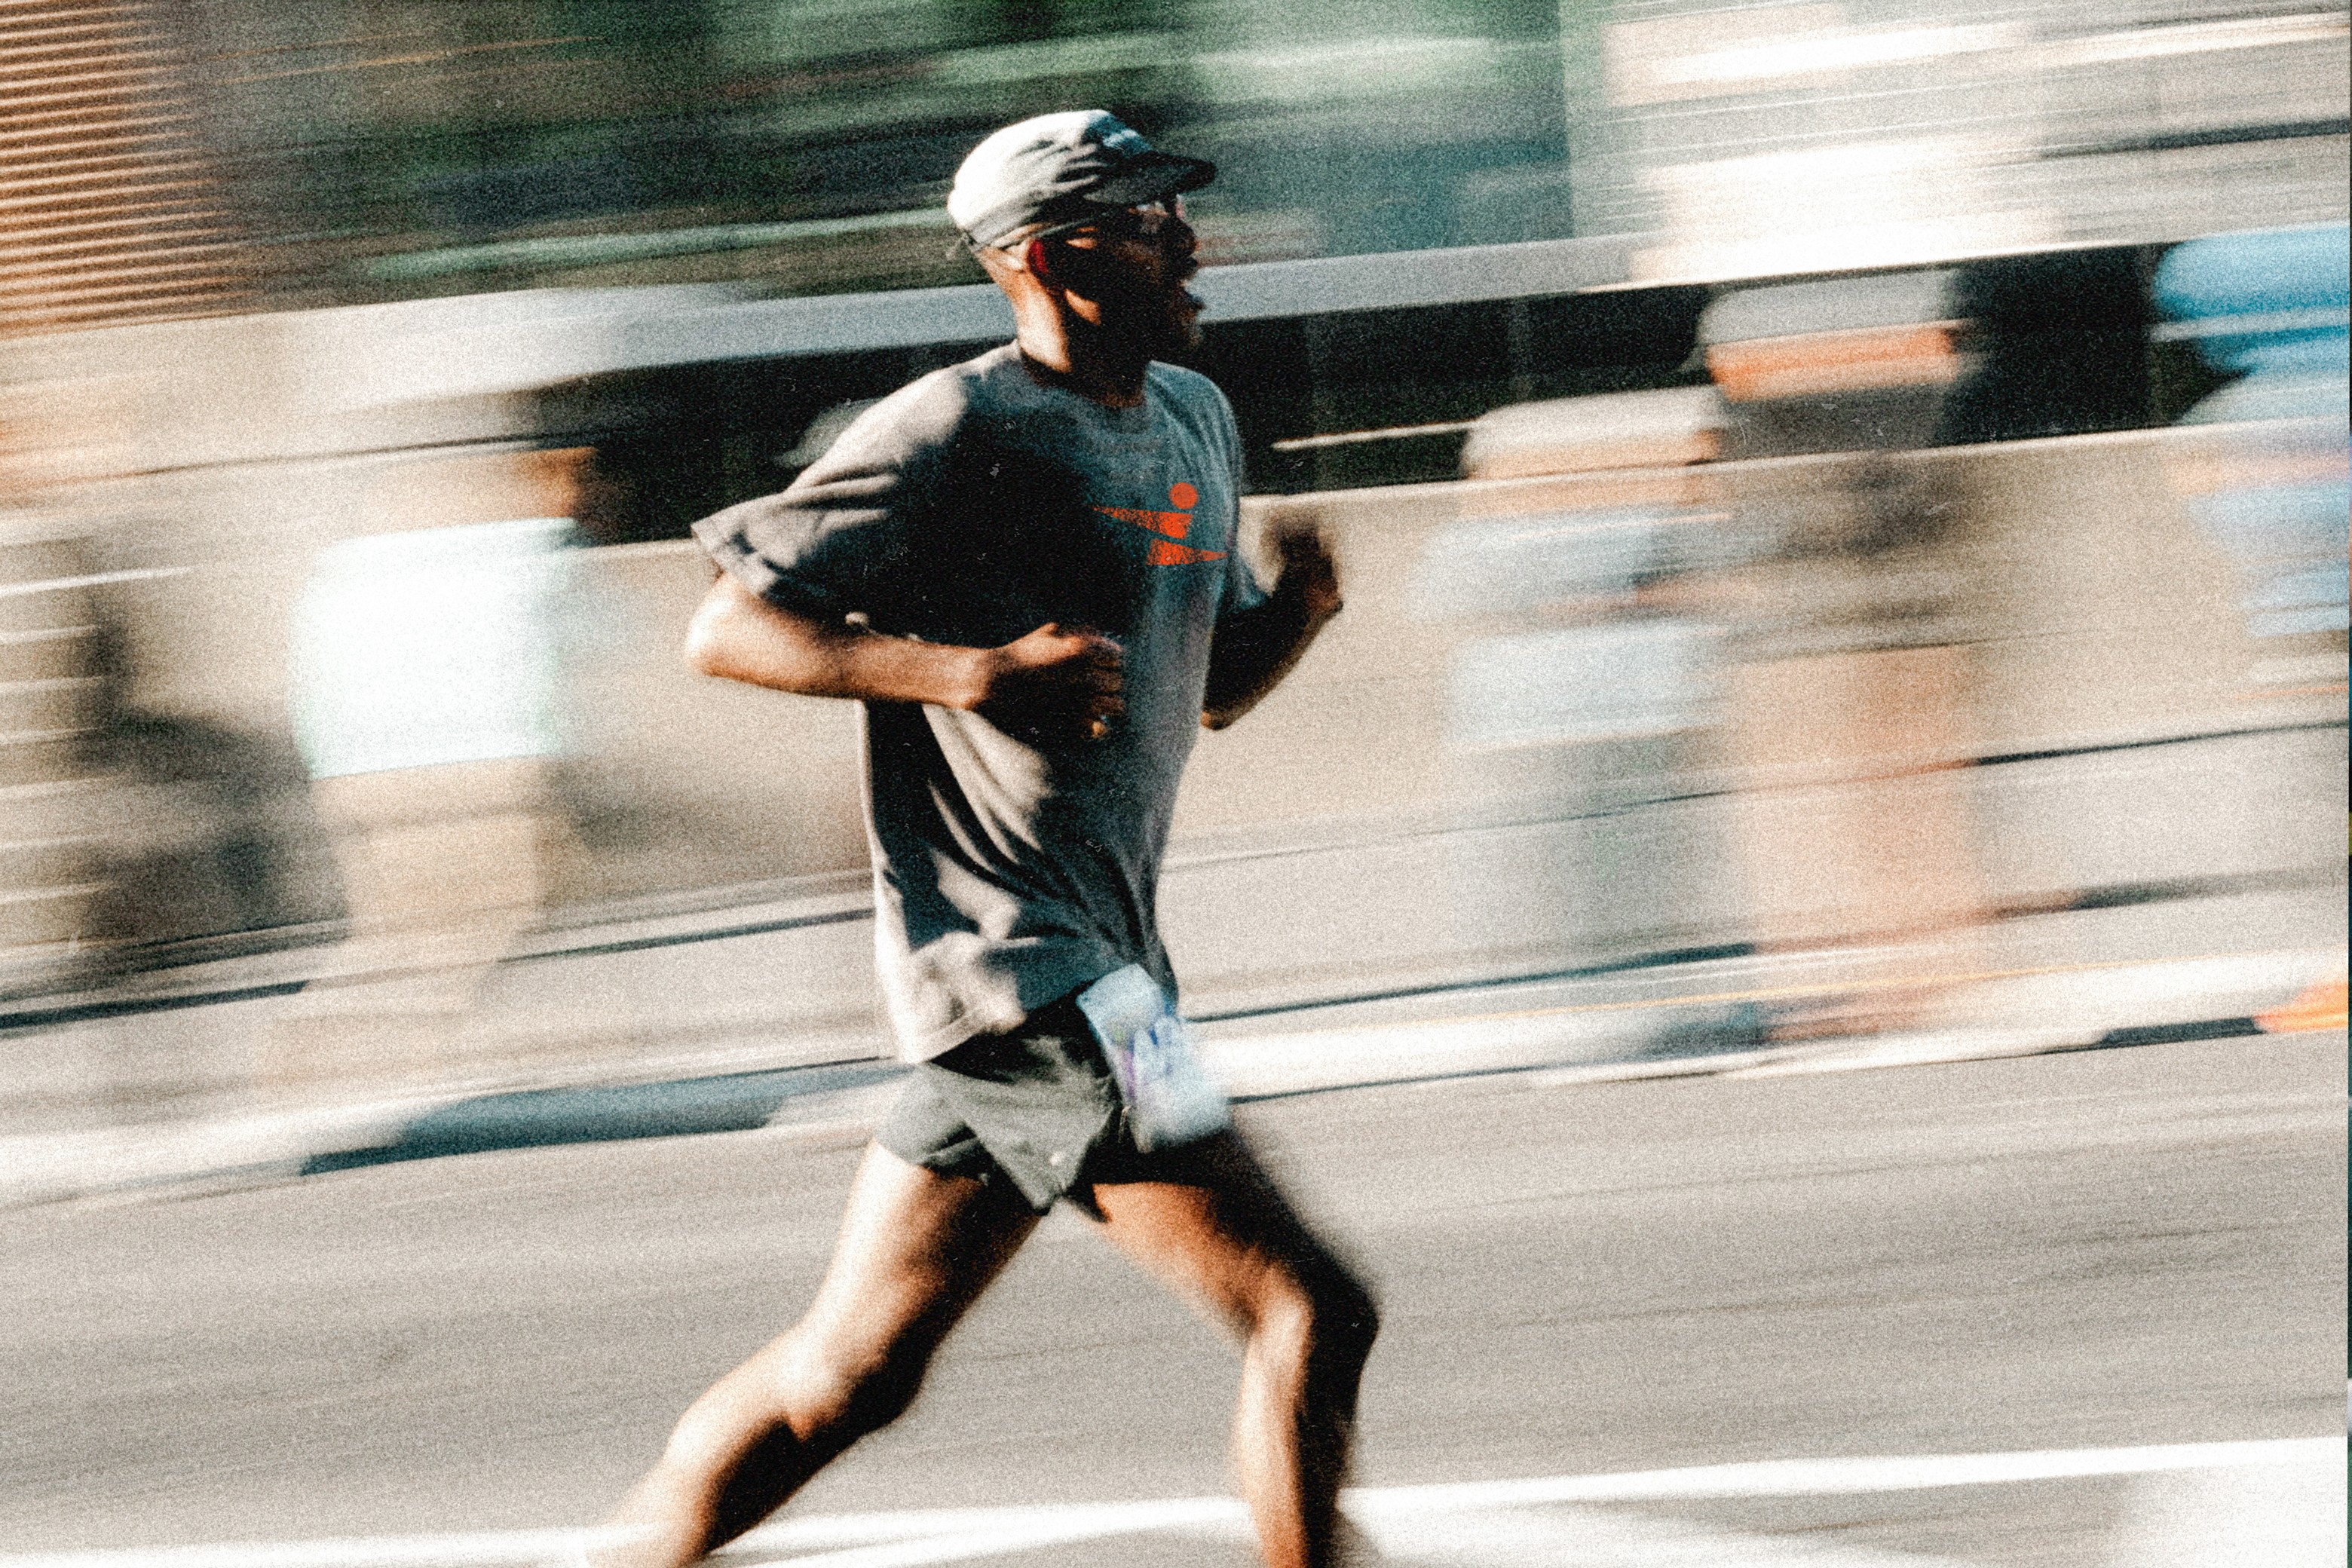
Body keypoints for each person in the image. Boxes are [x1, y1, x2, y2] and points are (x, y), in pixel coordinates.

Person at [597, 112, 1377, 1568]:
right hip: (1037, 982)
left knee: (853, 1376)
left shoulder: (1195, 420)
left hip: (1112, 982)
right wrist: (959, 669)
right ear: (1057, 254)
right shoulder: (958, 426)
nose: (1188, 241)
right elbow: (728, 626)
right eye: (1150, 219)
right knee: (1307, 1306)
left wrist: (1297, 616)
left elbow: (1195, 695)